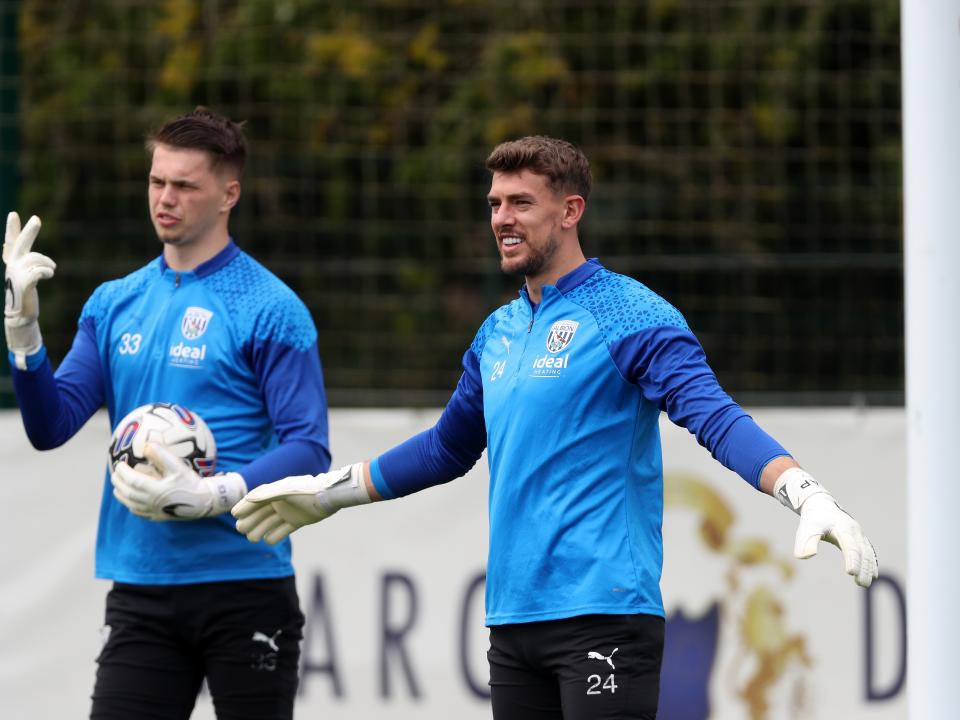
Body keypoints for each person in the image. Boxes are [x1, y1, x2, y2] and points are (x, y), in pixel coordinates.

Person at [230, 135, 878, 720]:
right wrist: (326, 494)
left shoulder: (631, 315)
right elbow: (446, 448)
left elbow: (713, 415)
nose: (502, 220)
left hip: (604, 616)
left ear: (570, 211)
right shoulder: (497, 333)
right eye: (494, 204)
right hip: (513, 624)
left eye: (521, 203)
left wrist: (805, 492)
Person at [3, 107, 330, 719]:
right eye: (158, 182)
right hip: (142, 590)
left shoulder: (271, 307)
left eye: (185, 185)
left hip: (245, 586)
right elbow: (51, 427)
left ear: (229, 193)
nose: (166, 199)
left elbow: (309, 448)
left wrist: (216, 494)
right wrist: (23, 335)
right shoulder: (113, 303)